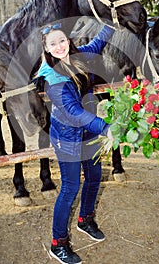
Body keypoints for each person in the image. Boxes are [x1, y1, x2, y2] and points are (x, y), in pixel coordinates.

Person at [35, 22, 115, 264]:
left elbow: (99, 42)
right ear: (47, 50)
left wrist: (112, 21)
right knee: (70, 188)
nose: (59, 46)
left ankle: (85, 219)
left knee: (94, 176)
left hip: (88, 133)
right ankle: (58, 243)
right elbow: (72, 112)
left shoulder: (78, 57)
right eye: (53, 44)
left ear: (68, 41)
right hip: (68, 138)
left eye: (62, 40)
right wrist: (106, 127)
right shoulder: (52, 78)